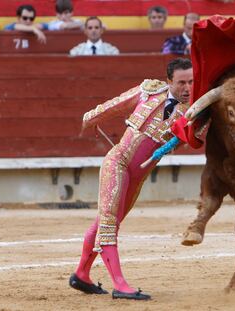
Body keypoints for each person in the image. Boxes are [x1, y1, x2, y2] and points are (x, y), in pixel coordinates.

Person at [69, 58, 193, 300]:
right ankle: (120, 284)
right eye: (181, 83)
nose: (187, 88)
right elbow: (112, 106)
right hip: (118, 163)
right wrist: (92, 118)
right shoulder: (148, 91)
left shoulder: (192, 111)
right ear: (169, 81)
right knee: (108, 224)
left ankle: (82, 274)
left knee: (104, 223)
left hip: (137, 179)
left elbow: (195, 138)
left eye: (190, 81)